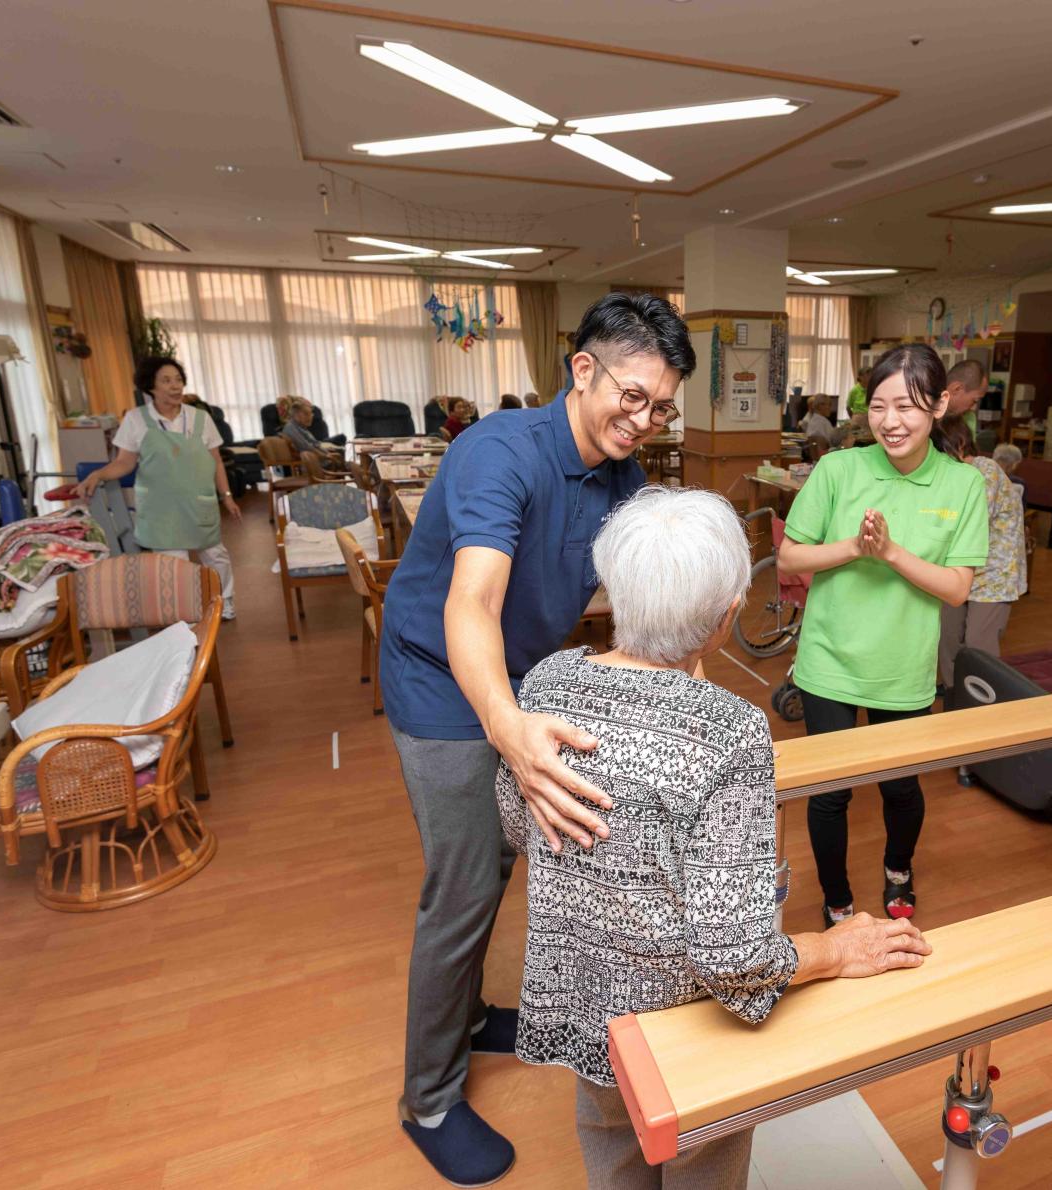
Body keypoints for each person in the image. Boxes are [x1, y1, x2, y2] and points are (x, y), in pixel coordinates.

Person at [497, 485, 930, 1190]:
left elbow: (520, 824)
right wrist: (834, 947)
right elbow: (733, 957)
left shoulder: (547, 681)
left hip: (584, 1002)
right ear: (727, 616)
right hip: (682, 1029)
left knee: (613, 1143)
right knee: (701, 1157)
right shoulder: (727, 731)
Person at [379, 292, 693, 1187]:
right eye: (631, 396)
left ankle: (471, 1016)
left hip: (517, 674)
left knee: (503, 861)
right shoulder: (499, 455)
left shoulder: (624, 477)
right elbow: (471, 602)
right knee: (466, 882)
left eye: (662, 406)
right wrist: (510, 731)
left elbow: (635, 602)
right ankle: (430, 1097)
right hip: (440, 678)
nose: (644, 420)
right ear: (582, 369)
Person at [779, 344, 989, 926]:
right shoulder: (838, 469)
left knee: (900, 790)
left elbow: (956, 589)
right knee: (831, 793)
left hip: (903, 668)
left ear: (941, 405)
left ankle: (899, 869)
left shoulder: (963, 486)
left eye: (908, 406)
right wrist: (854, 547)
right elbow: (789, 557)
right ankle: (837, 900)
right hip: (828, 662)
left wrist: (892, 552)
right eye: (878, 405)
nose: (891, 421)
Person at [75, 356, 241, 620]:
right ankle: (188, 612)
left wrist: (227, 496)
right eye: (166, 380)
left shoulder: (200, 418)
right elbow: (124, 463)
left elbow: (216, 460)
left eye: (178, 380)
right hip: (161, 509)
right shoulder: (136, 419)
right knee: (176, 566)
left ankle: (225, 601)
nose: (175, 386)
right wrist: (99, 474)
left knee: (215, 555)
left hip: (199, 503)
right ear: (150, 386)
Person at [937, 430, 1027, 684]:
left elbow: (971, 520)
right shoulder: (948, 474)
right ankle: (955, 695)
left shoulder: (986, 470)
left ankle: (982, 700)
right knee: (948, 637)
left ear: (961, 445)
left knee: (978, 644)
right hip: (955, 567)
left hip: (994, 575)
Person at [280, 397, 347, 471]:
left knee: (347, 464)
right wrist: (327, 456)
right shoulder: (291, 428)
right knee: (350, 467)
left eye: (311, 414)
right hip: (314, 464)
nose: (311, 417)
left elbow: (315, 445)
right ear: (296, 415)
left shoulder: (301, 427)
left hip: (321, 461)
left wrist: (328, 453)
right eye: (306, 414)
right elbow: (306, 447)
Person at [943, 359, 986, 440]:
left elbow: (969, 450)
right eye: (974, 401)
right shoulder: (925, 411)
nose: (974, 408)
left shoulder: (969, 417)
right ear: (957, 389)